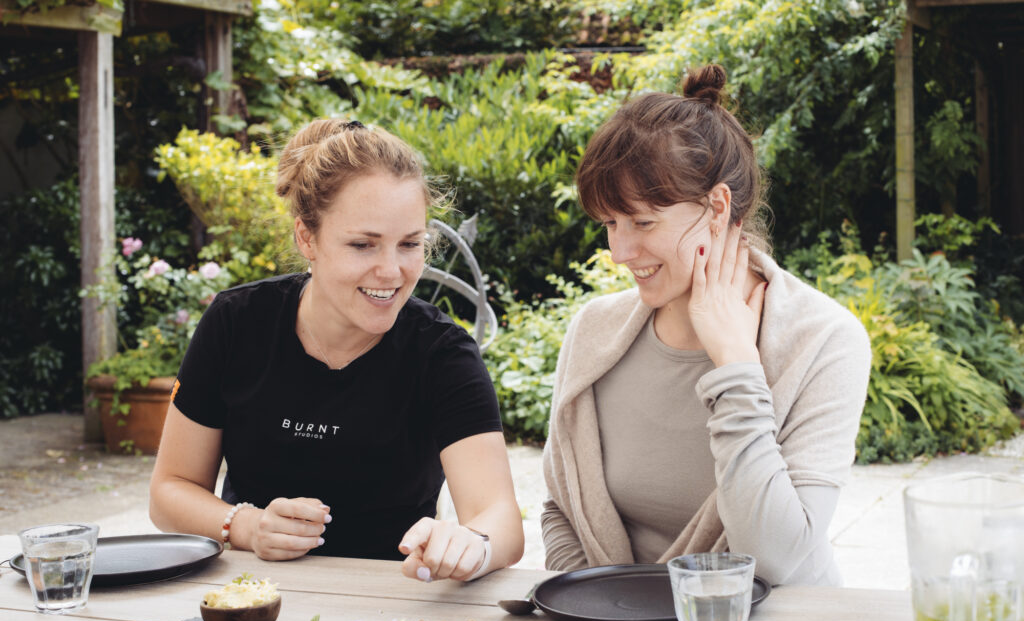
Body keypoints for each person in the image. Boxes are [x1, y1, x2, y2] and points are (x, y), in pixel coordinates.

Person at [150, 118, 524, 582]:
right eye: (363, 245)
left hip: (390, 612)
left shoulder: (442, 353)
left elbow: (500, 520)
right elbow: (170, 490)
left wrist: (471, 543)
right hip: (249, 599)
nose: (391, 271)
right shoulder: (236, 322)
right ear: (307, 237)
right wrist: (245, 525)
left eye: (410, 244)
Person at [541, 65, 871, 586]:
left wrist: (737, 367)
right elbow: (563, 510)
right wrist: (603, 609)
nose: (619, 252)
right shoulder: (594, 333)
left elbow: (777, 559)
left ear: (717, 208)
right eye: (609, 224)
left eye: (643, 222)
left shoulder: (824, 341)